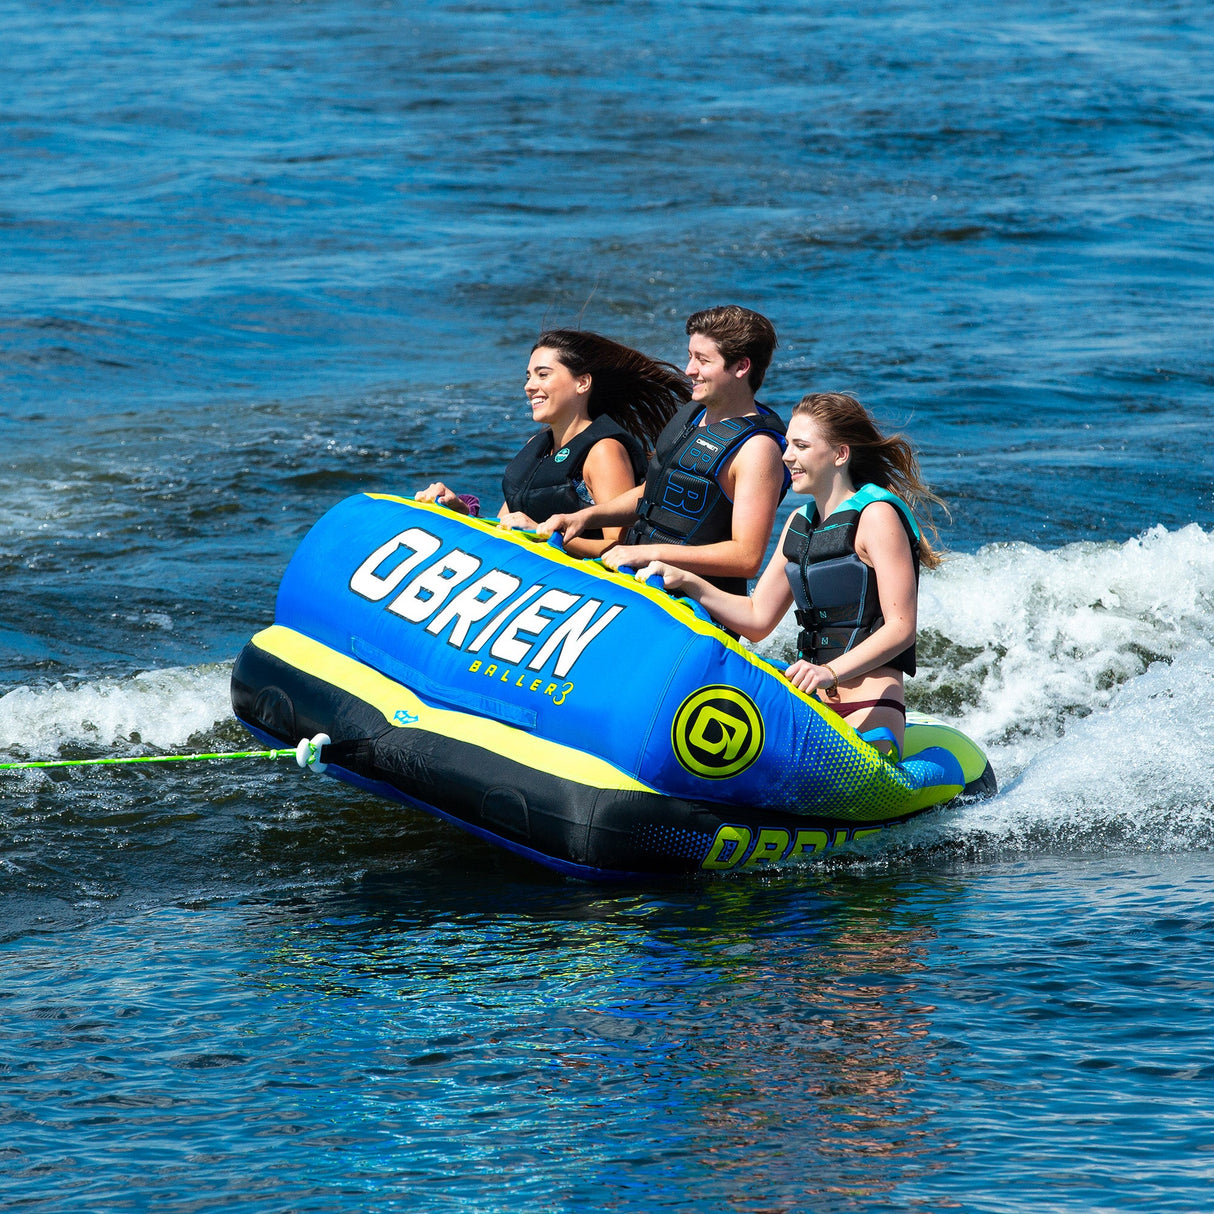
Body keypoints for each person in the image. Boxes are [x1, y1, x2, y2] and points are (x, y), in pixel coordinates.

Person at [630, 392, 945, 758]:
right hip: (811, 704)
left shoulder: (876, 517)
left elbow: (901, 628)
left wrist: (829, 672)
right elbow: (757, 618)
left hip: (868, 705)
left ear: (840, 454)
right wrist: (686, 579)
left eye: (801, 446)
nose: (786, 456)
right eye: (787, 444)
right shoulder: (800, 522)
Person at [538, 305, 789, 593]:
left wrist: (649, 553)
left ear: (741, 367)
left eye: (703, 360)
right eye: (690, 356)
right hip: (639, 581)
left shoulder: (757, 450)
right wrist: (585, 517)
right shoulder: (692, 416)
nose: (689, 369)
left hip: (691, 606)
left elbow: (746, 558)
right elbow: (654, 493)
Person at [416, 329, 689, 558]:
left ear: (582, 383)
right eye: (528, 376)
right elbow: (504, 527)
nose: (529, 386)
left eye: (543, 375)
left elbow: (619, 548)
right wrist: (460, 511)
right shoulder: (535, 447)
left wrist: (544, 535)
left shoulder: (603, 451)